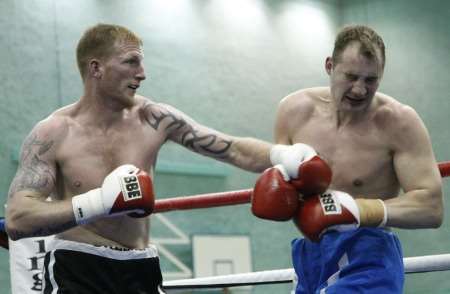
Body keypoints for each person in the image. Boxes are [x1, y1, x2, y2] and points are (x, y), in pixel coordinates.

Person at [4, 23, 322, 294]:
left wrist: (285, 155)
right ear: (96, 68)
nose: (142, 73)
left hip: (140, 267)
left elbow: (231, 147)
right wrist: (99, 202)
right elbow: (19, 219)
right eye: (131, 62)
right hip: (79, 268)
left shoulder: (153, 118)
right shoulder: (53, 133)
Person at [271, 24, 443, 293]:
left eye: (371, 80)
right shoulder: (294, 112)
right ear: (329, 66)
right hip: (310, 255)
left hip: (368, 254)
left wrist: (358, 209)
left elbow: (431, 207)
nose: (360, 90)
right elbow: (283, 188)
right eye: (351, 76)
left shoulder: (400, 122)